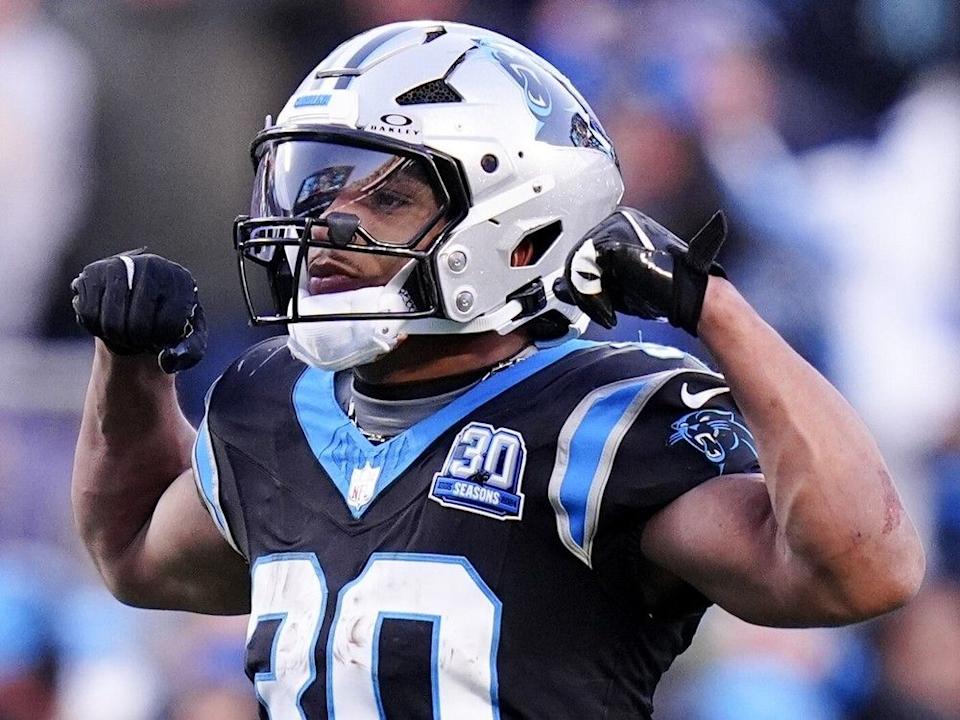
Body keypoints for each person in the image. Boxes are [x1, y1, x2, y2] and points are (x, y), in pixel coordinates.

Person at [70, 21, 924, 719]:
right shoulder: (273, 400)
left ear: (513, 223)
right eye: (316, 186)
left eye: (386, 198)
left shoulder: (603, 417)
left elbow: (864, 571)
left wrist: (716, 311)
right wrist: (130, 366)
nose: (326, 224)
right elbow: (134, 553)